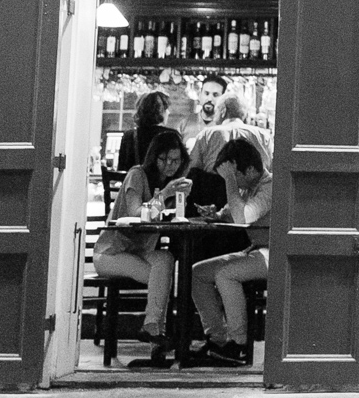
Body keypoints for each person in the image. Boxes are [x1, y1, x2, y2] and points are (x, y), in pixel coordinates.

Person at [93, 128, 189, 363]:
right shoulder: (138, 174)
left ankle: (153, 329)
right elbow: (138, 213)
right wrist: (166, 194)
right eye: (164, 159)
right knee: (162, 277)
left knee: (166, 260)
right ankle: (156, 335)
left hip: (140, 252)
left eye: (175, 160)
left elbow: (173, 215)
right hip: (111, 253)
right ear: (153, 157)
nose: (169, 165)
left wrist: (181, 199)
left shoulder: (171, 181)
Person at [190, 134, 273, 366]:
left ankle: (238, 344)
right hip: (254, 250)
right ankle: (217, 339)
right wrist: (215, 214)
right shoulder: (248, 188)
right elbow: (230, 212)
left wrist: (229, 181)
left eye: (235, 175)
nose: (232, 182)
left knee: (226, 273)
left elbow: (242, 217)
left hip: (271, 253)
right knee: (199, 272)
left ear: (247, 170)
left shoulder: (269, 186)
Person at [191, 93, 271, 174]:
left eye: (216, 110)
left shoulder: (207, 134)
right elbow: (270, 169)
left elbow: (193, 168)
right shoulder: (263, 135)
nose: (214, 115)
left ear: (223, 111)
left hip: (214, 185)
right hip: (255, 186)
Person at [115, 90, 170, 173]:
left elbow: (121, 169)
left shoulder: (129, 136)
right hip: (163, 186)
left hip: (133, 184)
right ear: (162, 111)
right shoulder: (170, 136)